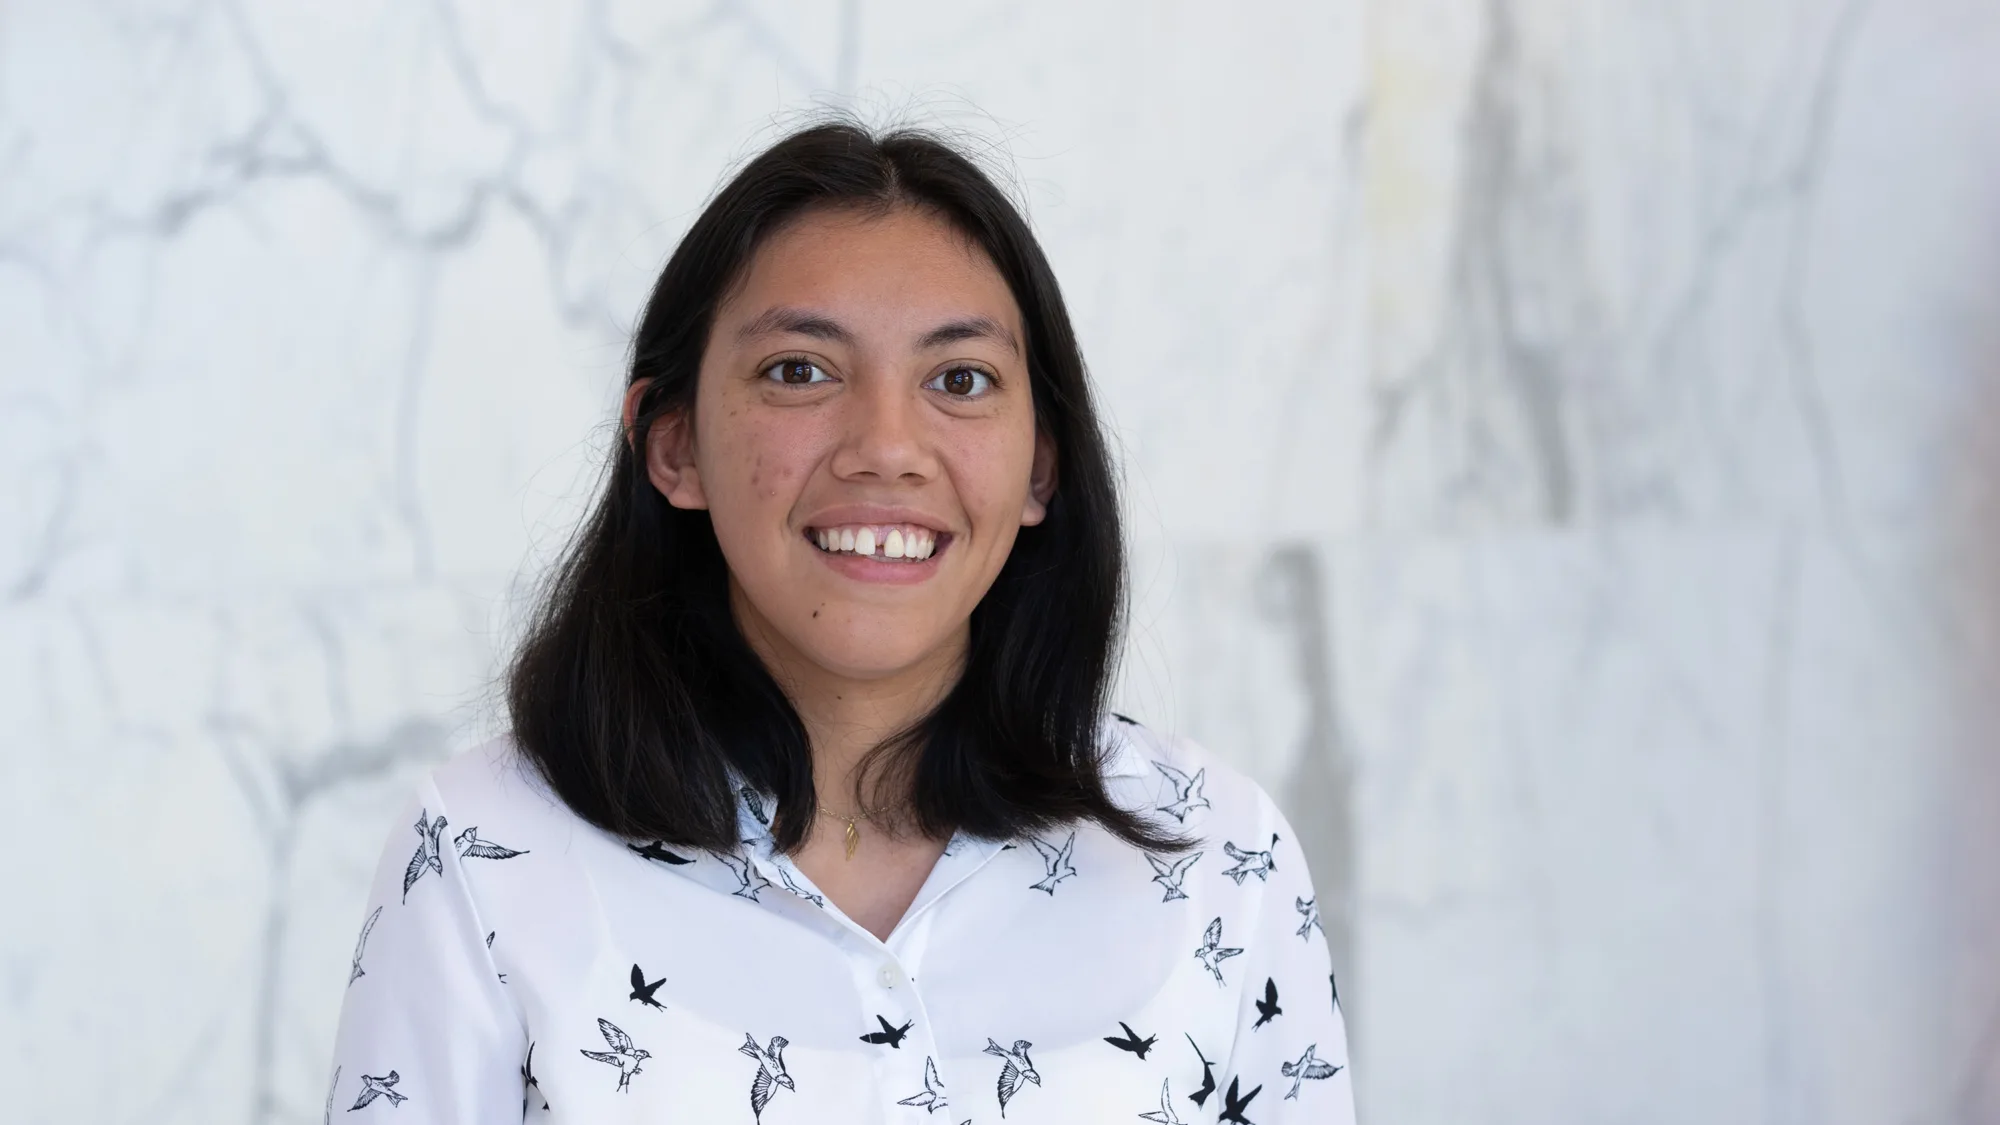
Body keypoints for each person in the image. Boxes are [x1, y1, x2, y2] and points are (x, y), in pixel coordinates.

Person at [325, 117, 1356, 1125]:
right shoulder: (482, 853)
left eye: (959, 380)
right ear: (672, 446)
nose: (885, 447)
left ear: (1041, 465)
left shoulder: (1215, 854)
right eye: (799, 371)